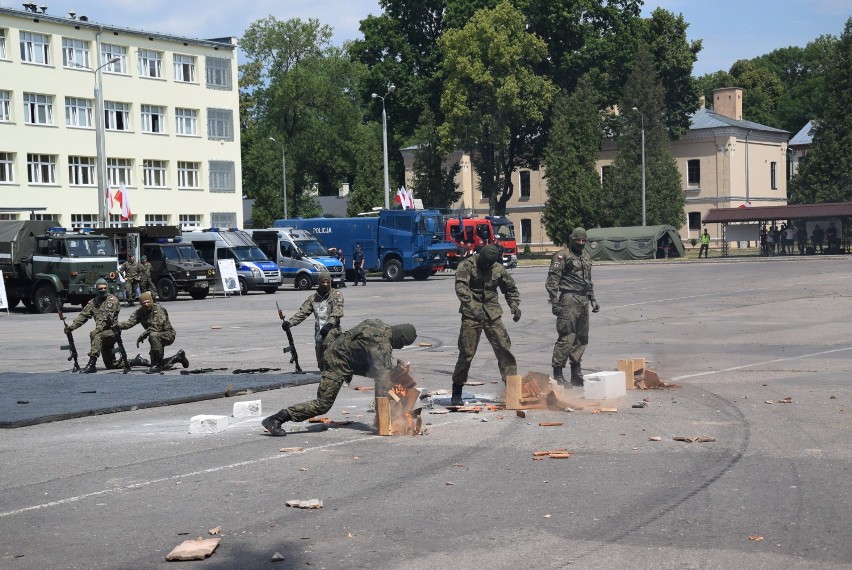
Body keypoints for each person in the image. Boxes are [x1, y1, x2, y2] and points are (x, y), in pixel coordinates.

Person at [262, 319, 417, 436]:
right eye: (402, 344)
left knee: (382, 375)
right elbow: (384, 378)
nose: (400, 347)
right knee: (323, 404)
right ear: (400, 338)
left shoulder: (378, 324)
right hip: (337, 361)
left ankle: (382, 419)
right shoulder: (382, 345)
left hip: (346, 356)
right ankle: (277, 419)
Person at [450, 244, 520, 406]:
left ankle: (512, 391)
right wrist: (474, 308)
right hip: (471, 314)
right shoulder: (467, 265)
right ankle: (457, 391)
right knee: (466, 352)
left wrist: (514, 305)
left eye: (490, 263)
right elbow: (461, 288)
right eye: (484, 262)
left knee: (504, 350)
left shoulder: (498, 269)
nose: (487, 265)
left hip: (492, 314)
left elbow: (510, 288)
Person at [546, 227, 600, 388]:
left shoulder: (585, 256)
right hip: (568, 298)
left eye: (584, 241)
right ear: (572, 240)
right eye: (578, 240)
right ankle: (558, 373)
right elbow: (552, 281)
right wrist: (554, 301)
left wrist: (593, 299)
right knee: (567, 336)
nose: (581, 243)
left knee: (582, 337)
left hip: (583, 299)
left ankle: (576, 373)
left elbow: (588, 280)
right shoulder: (563, 256)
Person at [281, 271, 344, 371]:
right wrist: (290, 323)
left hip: (332, 331)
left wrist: (330, 324)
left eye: (328, 282)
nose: (325, 285)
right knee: (321, 362)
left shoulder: (336, 295)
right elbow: (303, 313)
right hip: (319, 332)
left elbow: (337, 311)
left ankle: (333, 375)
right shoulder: (313, 298)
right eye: (323, 282)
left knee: (330, 354)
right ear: (319, 283)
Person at [117, 291, 188, 374]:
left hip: (167, 334)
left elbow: (157, 327)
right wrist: (117, 325)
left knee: (153, 336)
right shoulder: (140, 312)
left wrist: (143, 335)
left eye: (148, 302)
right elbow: (129, 323)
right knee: (156, 362)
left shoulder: (158, 309)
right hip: (155, 337)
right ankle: (178, 357)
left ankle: (157, 366)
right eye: (144, 303)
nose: (146, 305)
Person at [64, 278, 124, 373]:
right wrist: (71, 327)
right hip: (102, 332)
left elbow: (106, 319)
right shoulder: (93, 302)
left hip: (112, 332)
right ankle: (137, 361)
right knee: (111, 365)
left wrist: (97, 330)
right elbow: (83, 316)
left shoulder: (112, 301)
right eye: (100, 289)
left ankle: (92, 364)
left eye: (105, 288)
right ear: (96, 289)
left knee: (97, 336)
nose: (103, 290)